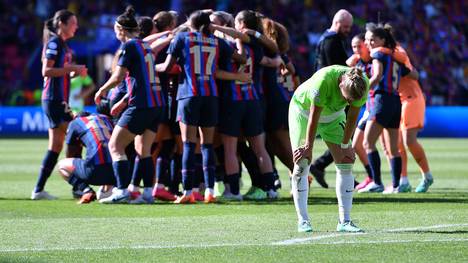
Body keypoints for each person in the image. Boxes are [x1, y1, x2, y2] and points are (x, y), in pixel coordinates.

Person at [156, 10, 250, 204]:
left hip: (188, 94)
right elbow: (242, 59)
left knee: (188, 144)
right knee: (207, 145)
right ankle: (209, 191)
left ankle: (188, 191)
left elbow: (166, 67)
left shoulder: (183, 38)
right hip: (211, 95)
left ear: (190, 24)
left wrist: (149, 67)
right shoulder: (217, 41)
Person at [94, 6, 165, 204]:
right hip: (156, 104)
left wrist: (101, 90)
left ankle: (121, 191)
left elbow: (118, 76)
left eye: (115, 29)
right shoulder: (145, 46)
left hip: (141, 104)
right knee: (144, 150)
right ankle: (148, 194)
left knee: (115, 146)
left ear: (121, 30)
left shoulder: (129, 46)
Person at [289, 65, 368, 233]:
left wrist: (346, 146)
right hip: (303, 113)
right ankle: (303, 221)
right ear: (340, 84)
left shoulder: (362, 84)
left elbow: (352, 116)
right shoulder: (323, 80)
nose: (349, 103)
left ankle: (345, 221)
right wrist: (308, 147)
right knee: (302, 162)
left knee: (346, 163)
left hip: (333, 118)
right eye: (347, 99)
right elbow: (314, 116)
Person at [32, 10, 87, 200]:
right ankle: (80, 186)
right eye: (73, 23)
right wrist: (72, 68)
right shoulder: (55, 43)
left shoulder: (62, 44)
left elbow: (58, 71)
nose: (76, 27)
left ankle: (39, 190)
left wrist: (71, 73)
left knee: (55, 146)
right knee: (77, 135)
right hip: (54, 100)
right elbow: (46, 71)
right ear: (62, 24)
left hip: (59, 100)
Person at [358, 24, 418, 194]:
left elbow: (376, 75)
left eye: (372, 39)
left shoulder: (378, 53)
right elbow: (413, 74)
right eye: (367, 39)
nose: (369, 43)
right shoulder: (394, 56)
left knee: (367, 143)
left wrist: (361, 91)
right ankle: (397, 185)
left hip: (382, 100)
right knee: (393, 148)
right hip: (395, 102)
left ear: (382, 40)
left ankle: (377, 182)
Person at [376, 39, 433, 193]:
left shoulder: (395, 51)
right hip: (397, 100)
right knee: (397, 144)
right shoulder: (379, 55)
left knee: (408, 140)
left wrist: (384, 51)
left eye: (373, 39)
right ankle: (403, 181)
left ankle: (427, 176)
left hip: (411, 99)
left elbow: (408, 66)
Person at [309, 9, 354, 188]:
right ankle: (339, 169)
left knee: (342, 134)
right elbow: (341, 69)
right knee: (344, 133)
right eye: (345, 26)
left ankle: (325, 166)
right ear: (337, 23)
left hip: (327, 93)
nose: (348, 30)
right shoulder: (332, 41)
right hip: (334, 95)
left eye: (349, 27)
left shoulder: (325, 38)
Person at [57, 112, 116, 204]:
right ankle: (120, 188)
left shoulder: (75, 122)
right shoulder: (105, 118)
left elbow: (70, 154)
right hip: (118, 173)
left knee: (62, 165)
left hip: (94, 172)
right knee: (103, 195)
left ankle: (86, 190)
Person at [346, 34, 374, 191]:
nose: (356, 50)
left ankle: (397, 180)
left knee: (388, 146)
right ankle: (373, 177)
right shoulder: (359, 63)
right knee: (357, 144)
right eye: (353, 47)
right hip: (369, 107)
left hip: (377, 106)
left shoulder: (375, 60)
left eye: (359, 46)